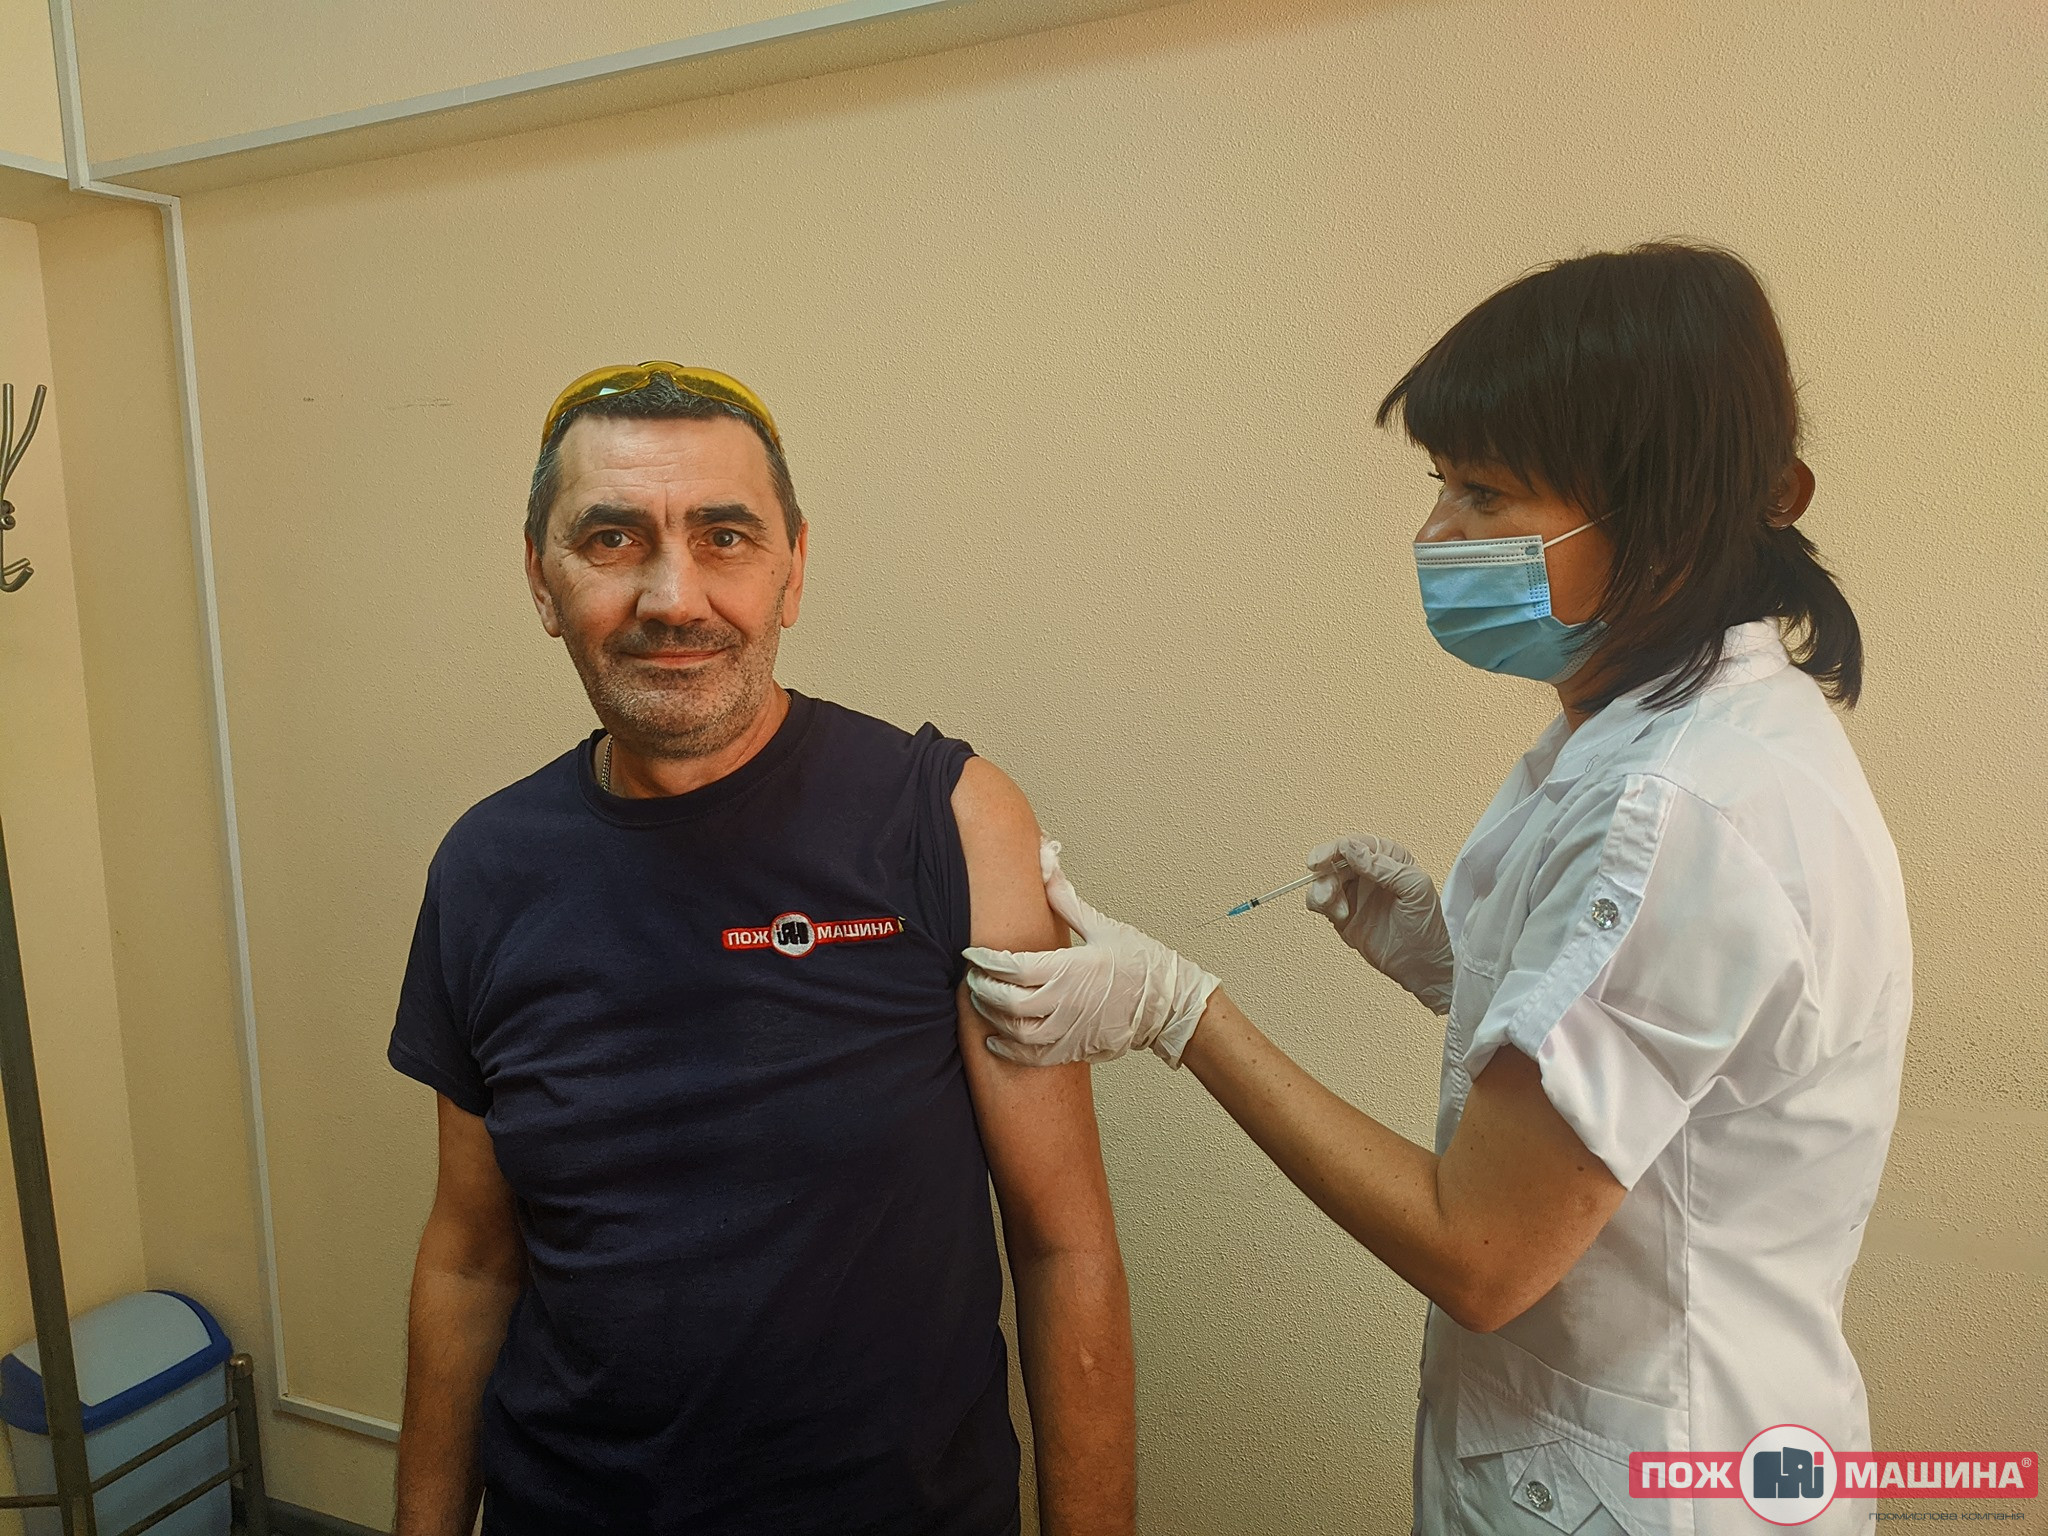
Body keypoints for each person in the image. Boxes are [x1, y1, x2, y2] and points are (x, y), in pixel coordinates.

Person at [965, 246, 1908, 1534]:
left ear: (1662, 516)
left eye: (1483, 493)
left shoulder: (1682, 804)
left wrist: (1181, 1012)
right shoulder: (1668, 736)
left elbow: (1480, 1253)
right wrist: (1453, 968)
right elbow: (1657, 1059)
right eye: (1439, 486)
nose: (1432, 537)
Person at [387, 363, 1136, 1536]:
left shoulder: (948, 823)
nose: (672, 596)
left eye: (724, 537)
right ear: (541, 580)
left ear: (793, 568)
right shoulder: (484, 869)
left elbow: (1062, 1245)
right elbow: (471, 1260)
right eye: (611, 540)